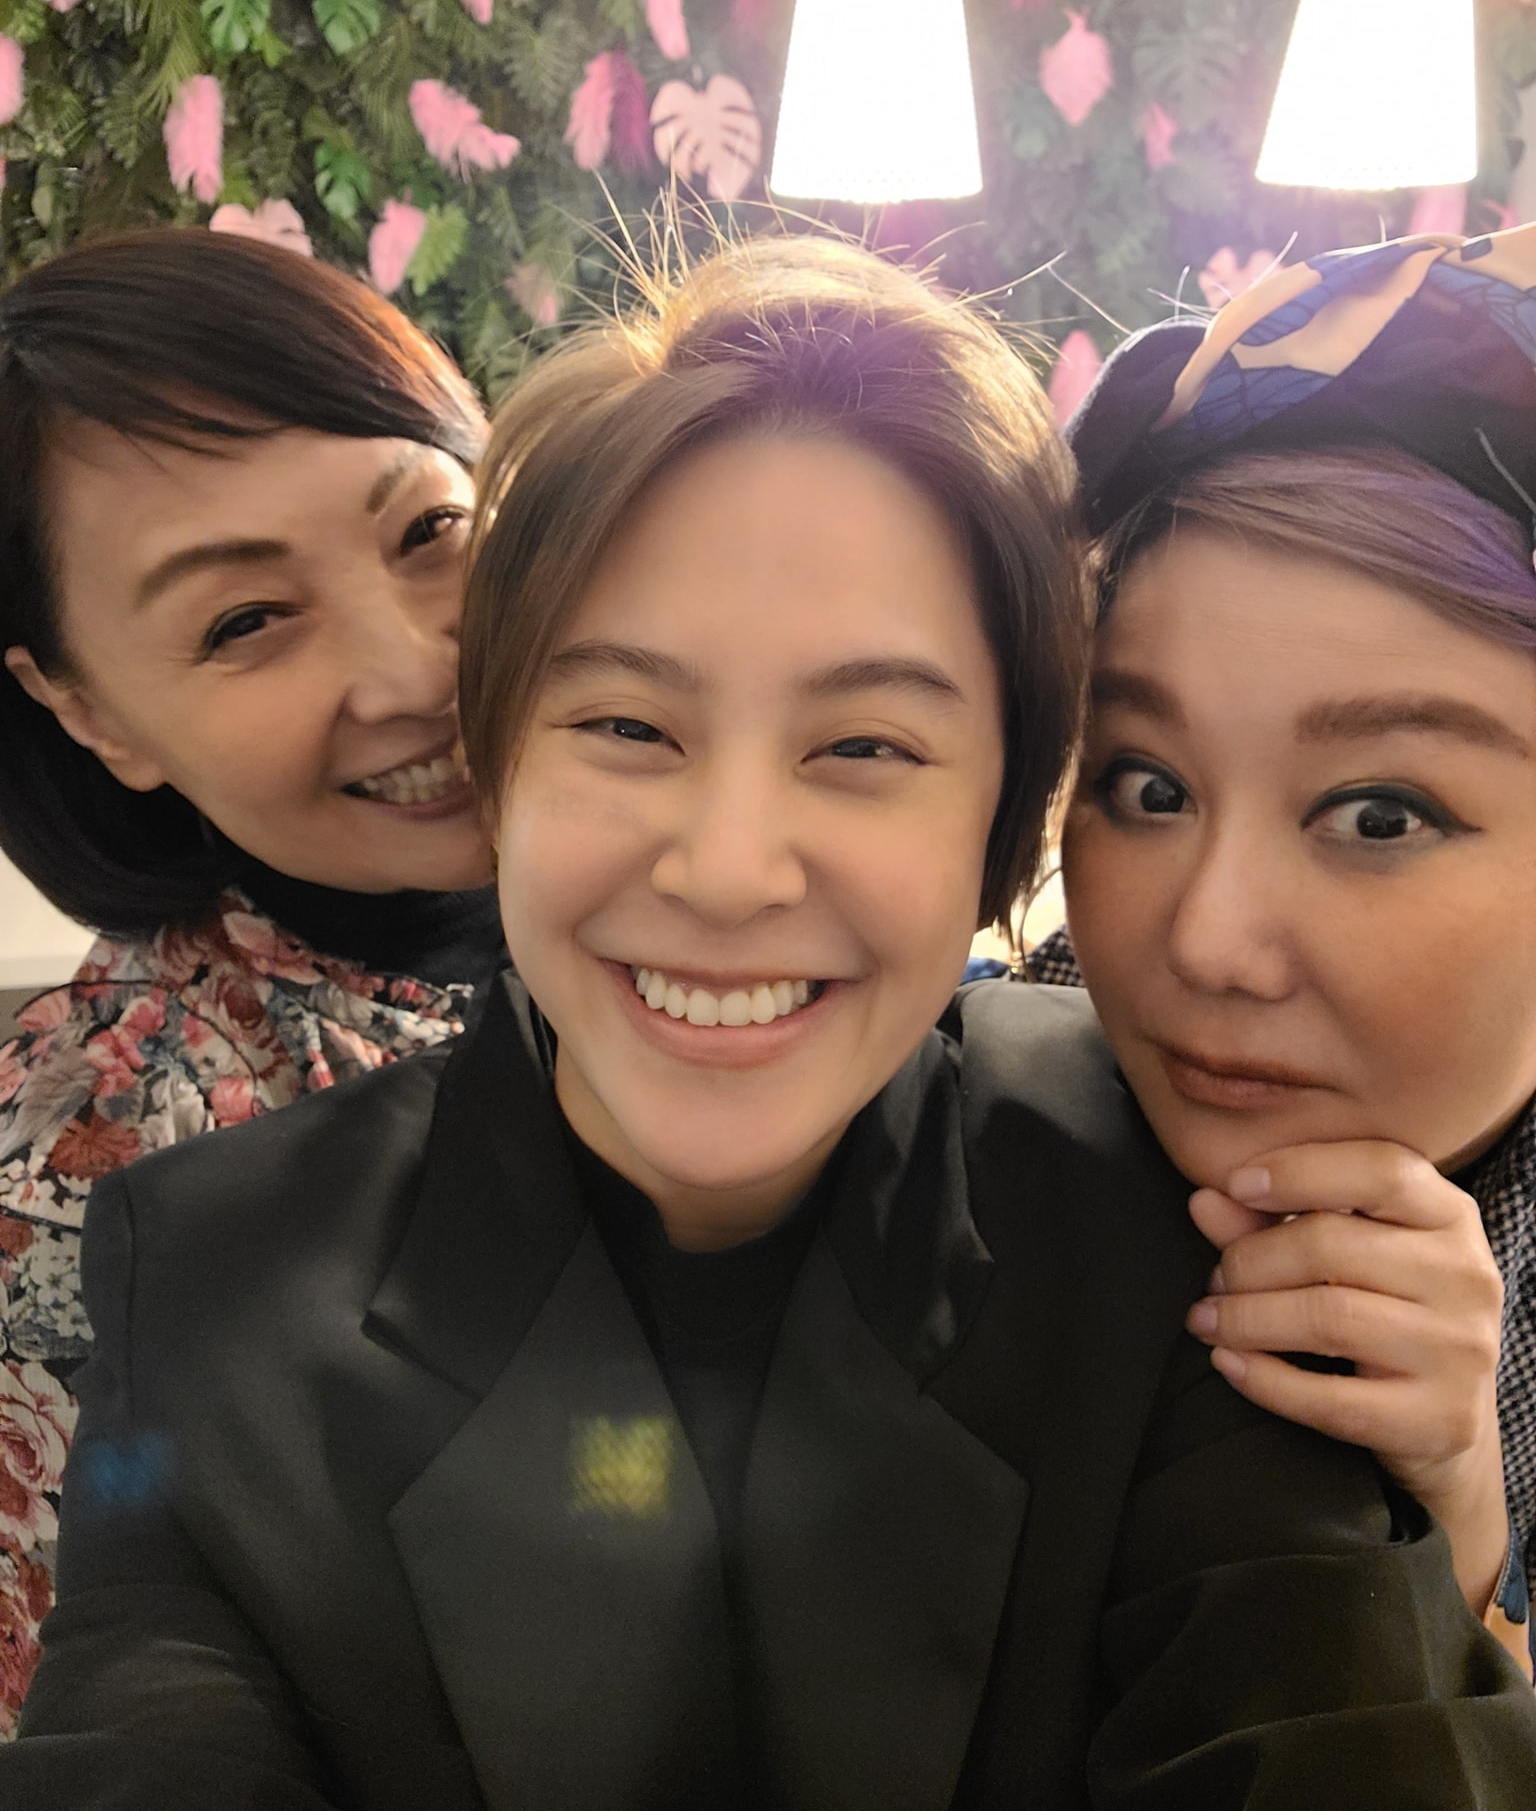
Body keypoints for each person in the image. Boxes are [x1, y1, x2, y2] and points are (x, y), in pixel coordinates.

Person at [6, 235, 1535, 1811]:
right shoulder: (209, 1276)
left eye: (866, 744)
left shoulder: (1176, 1204)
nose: (727, 870)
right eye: (625, 723)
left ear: (1005, 818)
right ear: (500, 765)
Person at [0, 230, 503, 1727]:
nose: (414, 671)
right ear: (91, 713)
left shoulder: (726, 915)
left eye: (431, 532)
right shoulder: (100, 1178)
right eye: (243, 621)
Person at [1043, 222, 1536, 1672]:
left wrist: (1459, 1542)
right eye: (1148, 787)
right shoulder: (965, 1133)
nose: (1209, 942)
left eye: (1380, 815)